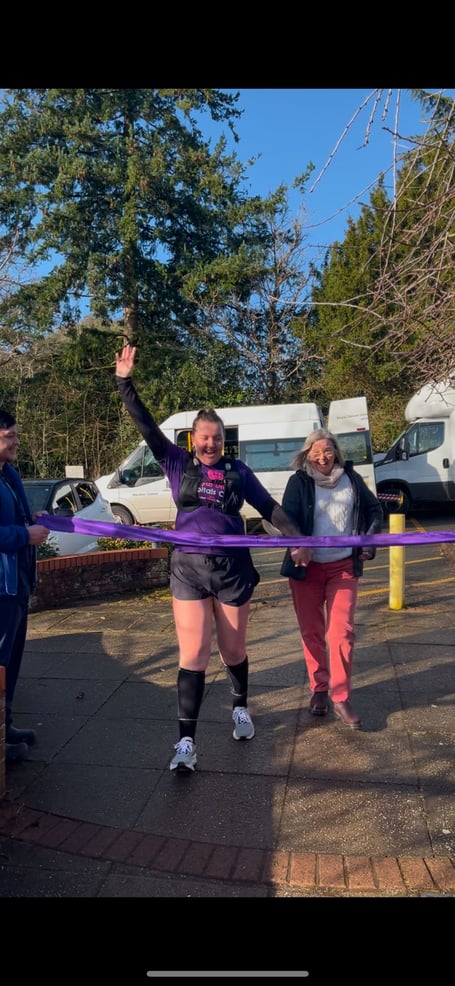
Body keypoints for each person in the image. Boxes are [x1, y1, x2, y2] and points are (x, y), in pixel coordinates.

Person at [115, 344, 304, 772]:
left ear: (223, 440)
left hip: (233, 571)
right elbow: (146, 427)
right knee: (193, 654)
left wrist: (298, 538)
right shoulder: (176, 462)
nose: (211, 442)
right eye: (204, 436)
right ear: (193, 439)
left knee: (233, 650)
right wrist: (124, 383)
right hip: (188, 570)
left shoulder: (239, 472)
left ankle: (240, 706)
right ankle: (186, 742)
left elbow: (269, 509)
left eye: (217, 437)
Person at [280, 428, 383, 729]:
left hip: (343, 568)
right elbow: (287, 519)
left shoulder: (351, 480)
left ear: (336, 452)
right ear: (307, 454)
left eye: (327, 451)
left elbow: (374, 509)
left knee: (342, 633)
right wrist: (298, 545)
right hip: (306, 569)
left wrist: (368, 540)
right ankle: (319, 689)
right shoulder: (298, 482)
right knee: (312, 632)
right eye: (316, 452)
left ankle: (340, 696)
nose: (322, 457)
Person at [0, 410, 50, 762]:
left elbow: (18, 518)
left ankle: (7, 724)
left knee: (12, 661)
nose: (16, 441)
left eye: (16, 435)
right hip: (0, 588)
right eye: (10, 436)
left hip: (18, 585)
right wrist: (25, 535)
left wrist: (35, 521)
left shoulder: (9, 474)